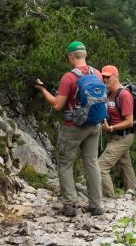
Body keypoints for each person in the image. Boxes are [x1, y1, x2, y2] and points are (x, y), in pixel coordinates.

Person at [34, 41, 105, 217]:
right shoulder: (97, 73)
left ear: (71, 56)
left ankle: (70, 205)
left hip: (73, 127)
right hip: (94, 125)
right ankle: (96, 206)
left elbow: (58, 105)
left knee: (66, 164)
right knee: (92, 163)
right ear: (85, 55)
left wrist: (42, 89)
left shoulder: (69, 77)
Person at [98, 65, 136, 200]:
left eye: (108, 77)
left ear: (116, 77)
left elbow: (130, 121)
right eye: (103, 77)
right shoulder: (108, 93)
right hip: (114, 135)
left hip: (123, 136)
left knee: (100, 168)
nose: (105, 80)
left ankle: (110, 199)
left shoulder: (124, 95)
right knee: (125, 165)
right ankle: (133, 196)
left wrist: (112, 128)